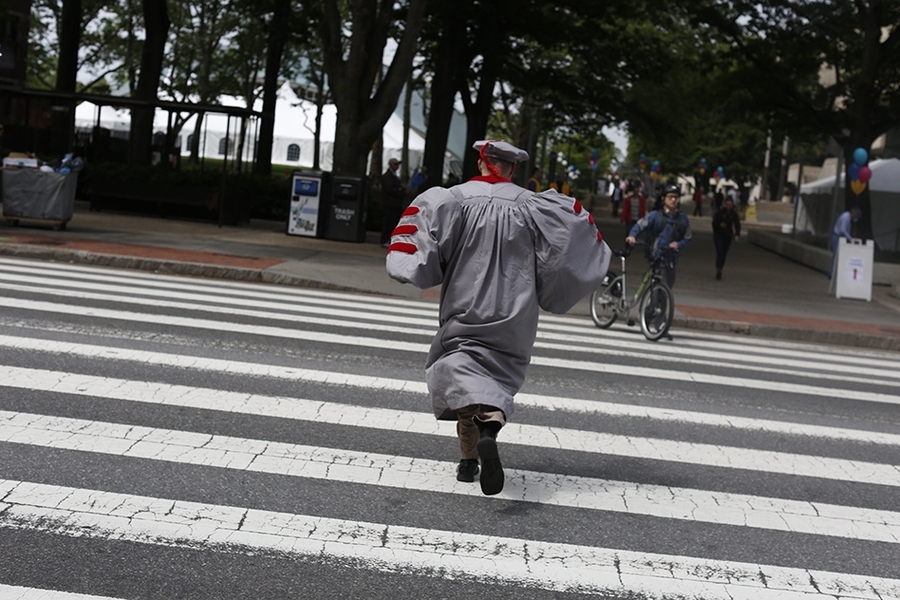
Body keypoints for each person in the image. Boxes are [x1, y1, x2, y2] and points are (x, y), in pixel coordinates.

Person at [385, 139, 611, 496]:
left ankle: (467, 460)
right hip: (514, 310)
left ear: (481, 162)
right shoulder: (535, 205)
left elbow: (419, 247)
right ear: (512, 169)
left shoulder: (453, 200)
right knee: (496, 379)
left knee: (462, 370)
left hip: (465, 302)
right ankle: (487, 432)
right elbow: (568, 244)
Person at [626, 182, 692, 291]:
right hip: (657, 257)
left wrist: (679, 244)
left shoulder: (682, 218)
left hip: (672, 259)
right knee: (659, 289)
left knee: (667, 289)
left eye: (676, 197)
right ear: (663, 198)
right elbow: (640, 225)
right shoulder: (656, 216)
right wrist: (632, 236)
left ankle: (656, 307)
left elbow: (687, 237)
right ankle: (651, 308)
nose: (673, 200)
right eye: (670, 197)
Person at [379, 158, 406, 248]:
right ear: (391, 165)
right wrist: (401, 192)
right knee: (388, 222)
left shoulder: (394, 176)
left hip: (395, 204)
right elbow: (390, 190)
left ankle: (389, 239)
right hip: (390, 203)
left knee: (393, 222)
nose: (397, 166)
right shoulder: (387, 176)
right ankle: (384, 239)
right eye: (395, 164)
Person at [712, 196, 741, 280]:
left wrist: (737, 234)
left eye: (730, 205)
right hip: (719, 235)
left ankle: (721, 268)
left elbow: (737, 224)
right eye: (727, 205)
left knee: (724, 254)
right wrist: (720, 225)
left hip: (728, 236)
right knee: (720, 252)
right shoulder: (720, 213)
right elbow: (714, 223)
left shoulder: (733, 214)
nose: (728, 206)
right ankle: (718, 269)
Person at [830, 207, 862, 278]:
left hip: (840, 237)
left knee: (839, 256)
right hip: (837, 237)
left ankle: (834, 274)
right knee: (836, 256)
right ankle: (831, 274)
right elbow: (843, 230)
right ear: (853, 214)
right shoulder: (845, 217)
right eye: (856, 216)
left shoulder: (847, 217)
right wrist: (850, 239)